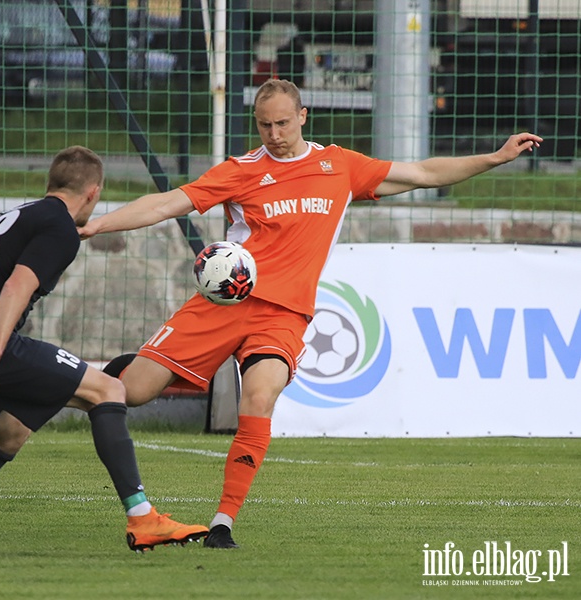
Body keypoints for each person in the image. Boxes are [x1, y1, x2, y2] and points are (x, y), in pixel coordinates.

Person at [79, 79, 542, 549]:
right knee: (130, 392)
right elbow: (166, 203)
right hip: (225, 304)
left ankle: (222, 524)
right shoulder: (241, 170)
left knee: (259, 398)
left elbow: (422, 172)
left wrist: (494, 158)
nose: (274, 133)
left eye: (282, 122)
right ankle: (55, 383)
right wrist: (98, 223)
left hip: (283, 314)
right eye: (264, 125)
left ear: (303, 117)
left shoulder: (338, 166)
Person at [0, 145, 208, 555]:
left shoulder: (19, 215)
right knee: (108, 391)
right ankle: (143, 519)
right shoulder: (60, 228)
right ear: (93, 193)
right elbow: (17, 286)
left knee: (9, 437)